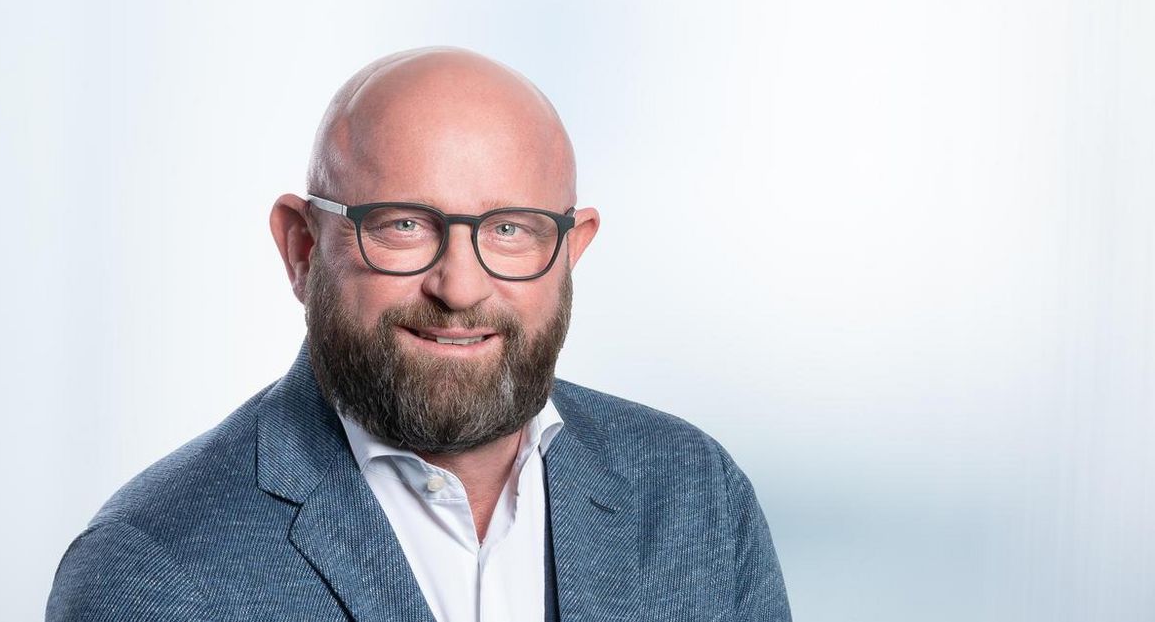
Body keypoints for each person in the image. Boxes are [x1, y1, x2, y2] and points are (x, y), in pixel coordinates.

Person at [46, 47, 791, 621]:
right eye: (403, 225)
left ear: (570, 250)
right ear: (302, 248)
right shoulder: (153, 571)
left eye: (509, 229)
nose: (459, 287)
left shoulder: (695, 496)